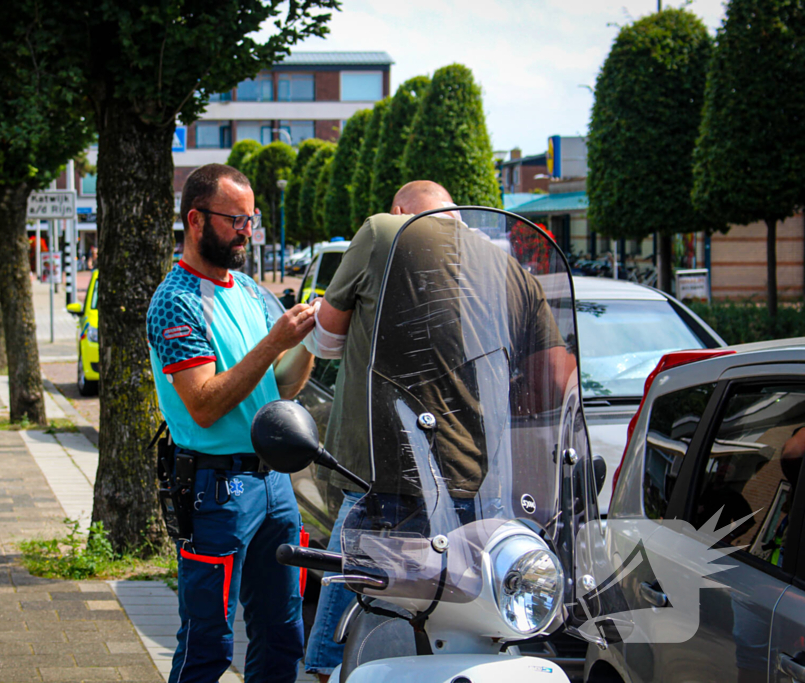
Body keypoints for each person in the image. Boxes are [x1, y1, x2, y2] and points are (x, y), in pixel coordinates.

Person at [301, 182, 573, 679]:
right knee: (473, 634)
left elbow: (325, 340)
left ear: (401, 209)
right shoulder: (511, 268)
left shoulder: (383, 231)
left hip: (385, 485)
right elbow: (556, 380)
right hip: (482, 492)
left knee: (343, 642)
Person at [147, 164, 317, 683]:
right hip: (215, 488)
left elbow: (281, 387)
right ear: (196, 220)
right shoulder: (174, 300)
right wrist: (274, 342)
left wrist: (313, 337)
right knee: (208, 643)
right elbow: (203, 404)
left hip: (273, 483)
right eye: (235, 220)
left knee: (283, 632)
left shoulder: (249, 291)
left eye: (252, 219)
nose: (248, 231)